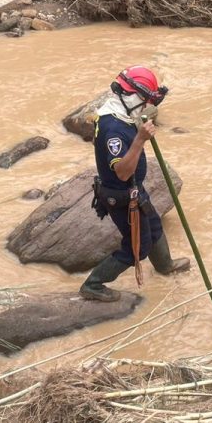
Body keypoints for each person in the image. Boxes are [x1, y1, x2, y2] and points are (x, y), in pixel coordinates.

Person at [81, 66, 191, 302]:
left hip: (134, 190)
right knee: (137, 249)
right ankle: (93, 285)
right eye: (144, 101)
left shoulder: (123, 114)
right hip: (121, 195)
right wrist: (140, 139)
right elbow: (121, 172)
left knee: (154, 225)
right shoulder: (113, 128)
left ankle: (165, 265)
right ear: (130, 97)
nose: (146, 107)